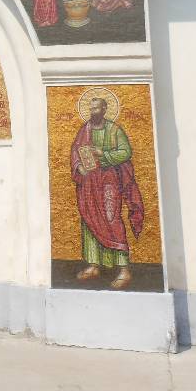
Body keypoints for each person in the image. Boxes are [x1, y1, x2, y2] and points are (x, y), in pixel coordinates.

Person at [71, 96, 144, 289]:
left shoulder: (114, 130)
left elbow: (126, 152)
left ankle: (123, 269)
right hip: (89, 183)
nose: (92, 112)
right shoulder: (85, 130)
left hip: (109, 181)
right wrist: (79, 167)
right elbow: (75, 151)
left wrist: (103, 154)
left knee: (112, 219)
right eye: (91, 108)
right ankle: (93, 265)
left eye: (96, 108)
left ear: (104, 109)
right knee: (89, 219)